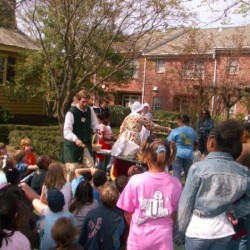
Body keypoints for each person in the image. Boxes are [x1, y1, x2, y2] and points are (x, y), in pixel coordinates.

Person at [174, 119, 250, 250]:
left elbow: (186, 204)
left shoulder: (197, 169)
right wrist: (235, 211)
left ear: (211, 142)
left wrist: (180, 232)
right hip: (225, 231)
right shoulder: (243, 172)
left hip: (198, 230)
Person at [117, 137, 182, 250]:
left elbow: (128, 213)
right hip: (164, 238)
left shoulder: (135, 181)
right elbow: (174, 214)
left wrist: (138, 226)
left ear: (146, 157)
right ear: (168, 159)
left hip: (138, 237)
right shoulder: (176, 183)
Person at [61, 90, 99, 182]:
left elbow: (95, 124)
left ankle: (90, 191)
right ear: (78, 100)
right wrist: (75, 139)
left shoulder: (90, 110)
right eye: (83, 101)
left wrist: (97, 130)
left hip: (86, 144)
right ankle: (70, 192)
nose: (85, 104)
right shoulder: (71, 112)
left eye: (87, 101)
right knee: (72, 171)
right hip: (72, 147)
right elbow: (66, 131)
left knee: (91, 168)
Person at [79, 183, 125, 250]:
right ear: (116, 201)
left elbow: (83, 236)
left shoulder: (91, 214)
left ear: (100, 197)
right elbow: (119, 234)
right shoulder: (120, 217)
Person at [167, 114, 197, 180]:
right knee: (188, 175)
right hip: (189, 155)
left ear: (180, 121)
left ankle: (177, 189)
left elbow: (168, 141)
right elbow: (196, 142)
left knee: (176, 174)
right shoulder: (192, 130)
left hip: (177, 154)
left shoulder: (175, 130)